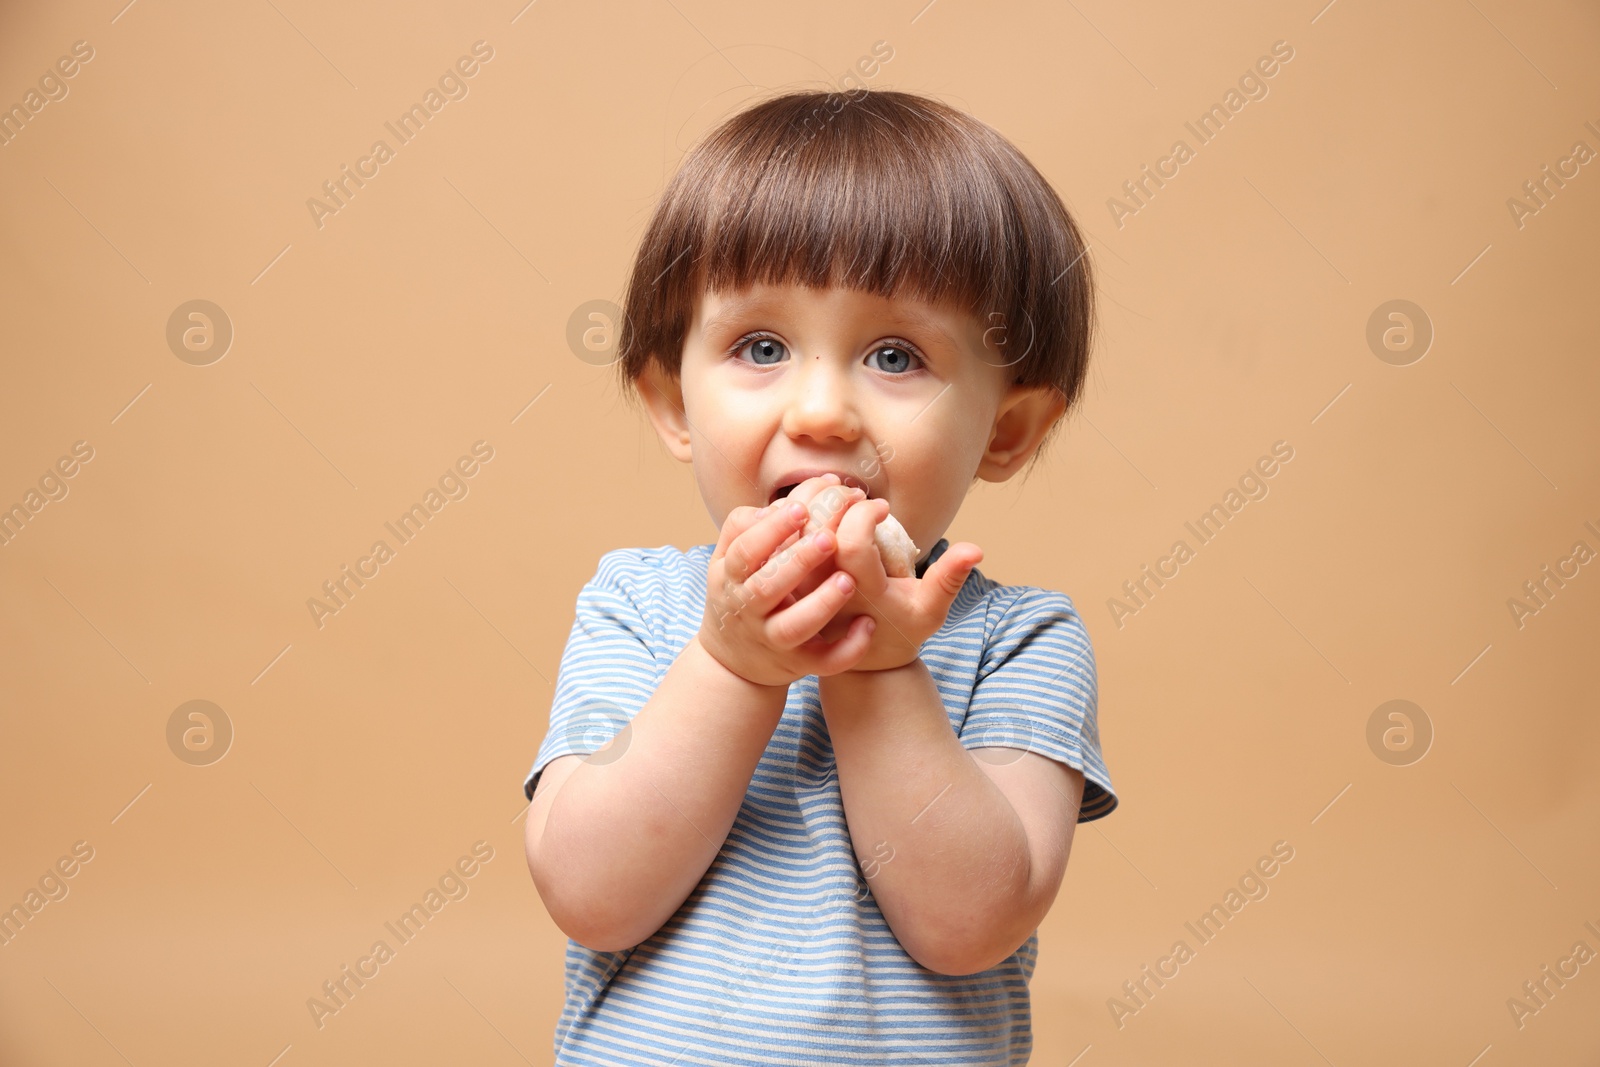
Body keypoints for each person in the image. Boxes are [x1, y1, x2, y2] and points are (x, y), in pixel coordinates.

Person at [521, 86, 1118, 1065]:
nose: (822, 411)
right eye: (761, 347)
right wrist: (731, 664)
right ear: (673, 400)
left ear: (1004, 430)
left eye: (895, 355)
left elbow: (970, 919)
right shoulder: (636, 606)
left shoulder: (1022, 639)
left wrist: (878, 667)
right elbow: (591, 895)